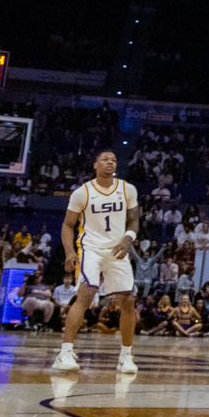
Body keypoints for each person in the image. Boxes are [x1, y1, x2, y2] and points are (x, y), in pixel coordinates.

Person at [51, 151, 141, 374]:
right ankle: (65, 352)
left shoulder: (127, 189)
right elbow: (67, 225)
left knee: (128, 300)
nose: (110, 162)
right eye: (105, 159)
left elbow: (134, 220)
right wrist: (70, 251)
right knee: (86, 294)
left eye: (113, 160)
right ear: (95, 165)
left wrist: (128, 240)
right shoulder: (82, 193)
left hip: (118, 250)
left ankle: (126, 356)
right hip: (91, 249)